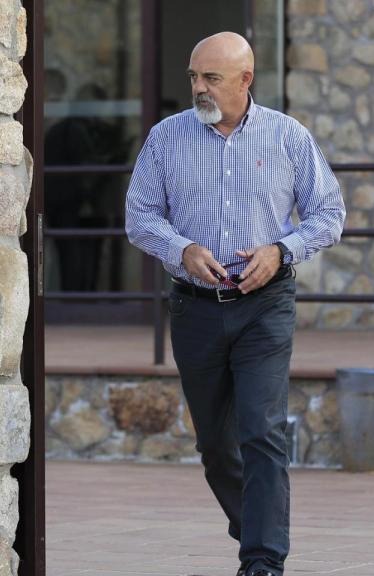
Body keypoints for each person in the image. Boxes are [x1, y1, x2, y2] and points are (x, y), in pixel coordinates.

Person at [124, 32, 345, 576]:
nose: (199, 87)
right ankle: (258, 529)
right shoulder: (166, 138)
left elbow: (328, 214)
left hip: (265, 306)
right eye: (194, 77)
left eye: (212, 78)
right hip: (194, 308)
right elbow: (140, 216)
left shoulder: (288, 136)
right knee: (217, 447)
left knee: (262, 430)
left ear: (245, 80)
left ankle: (263, 560)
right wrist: (182, 249)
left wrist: (282, 250)